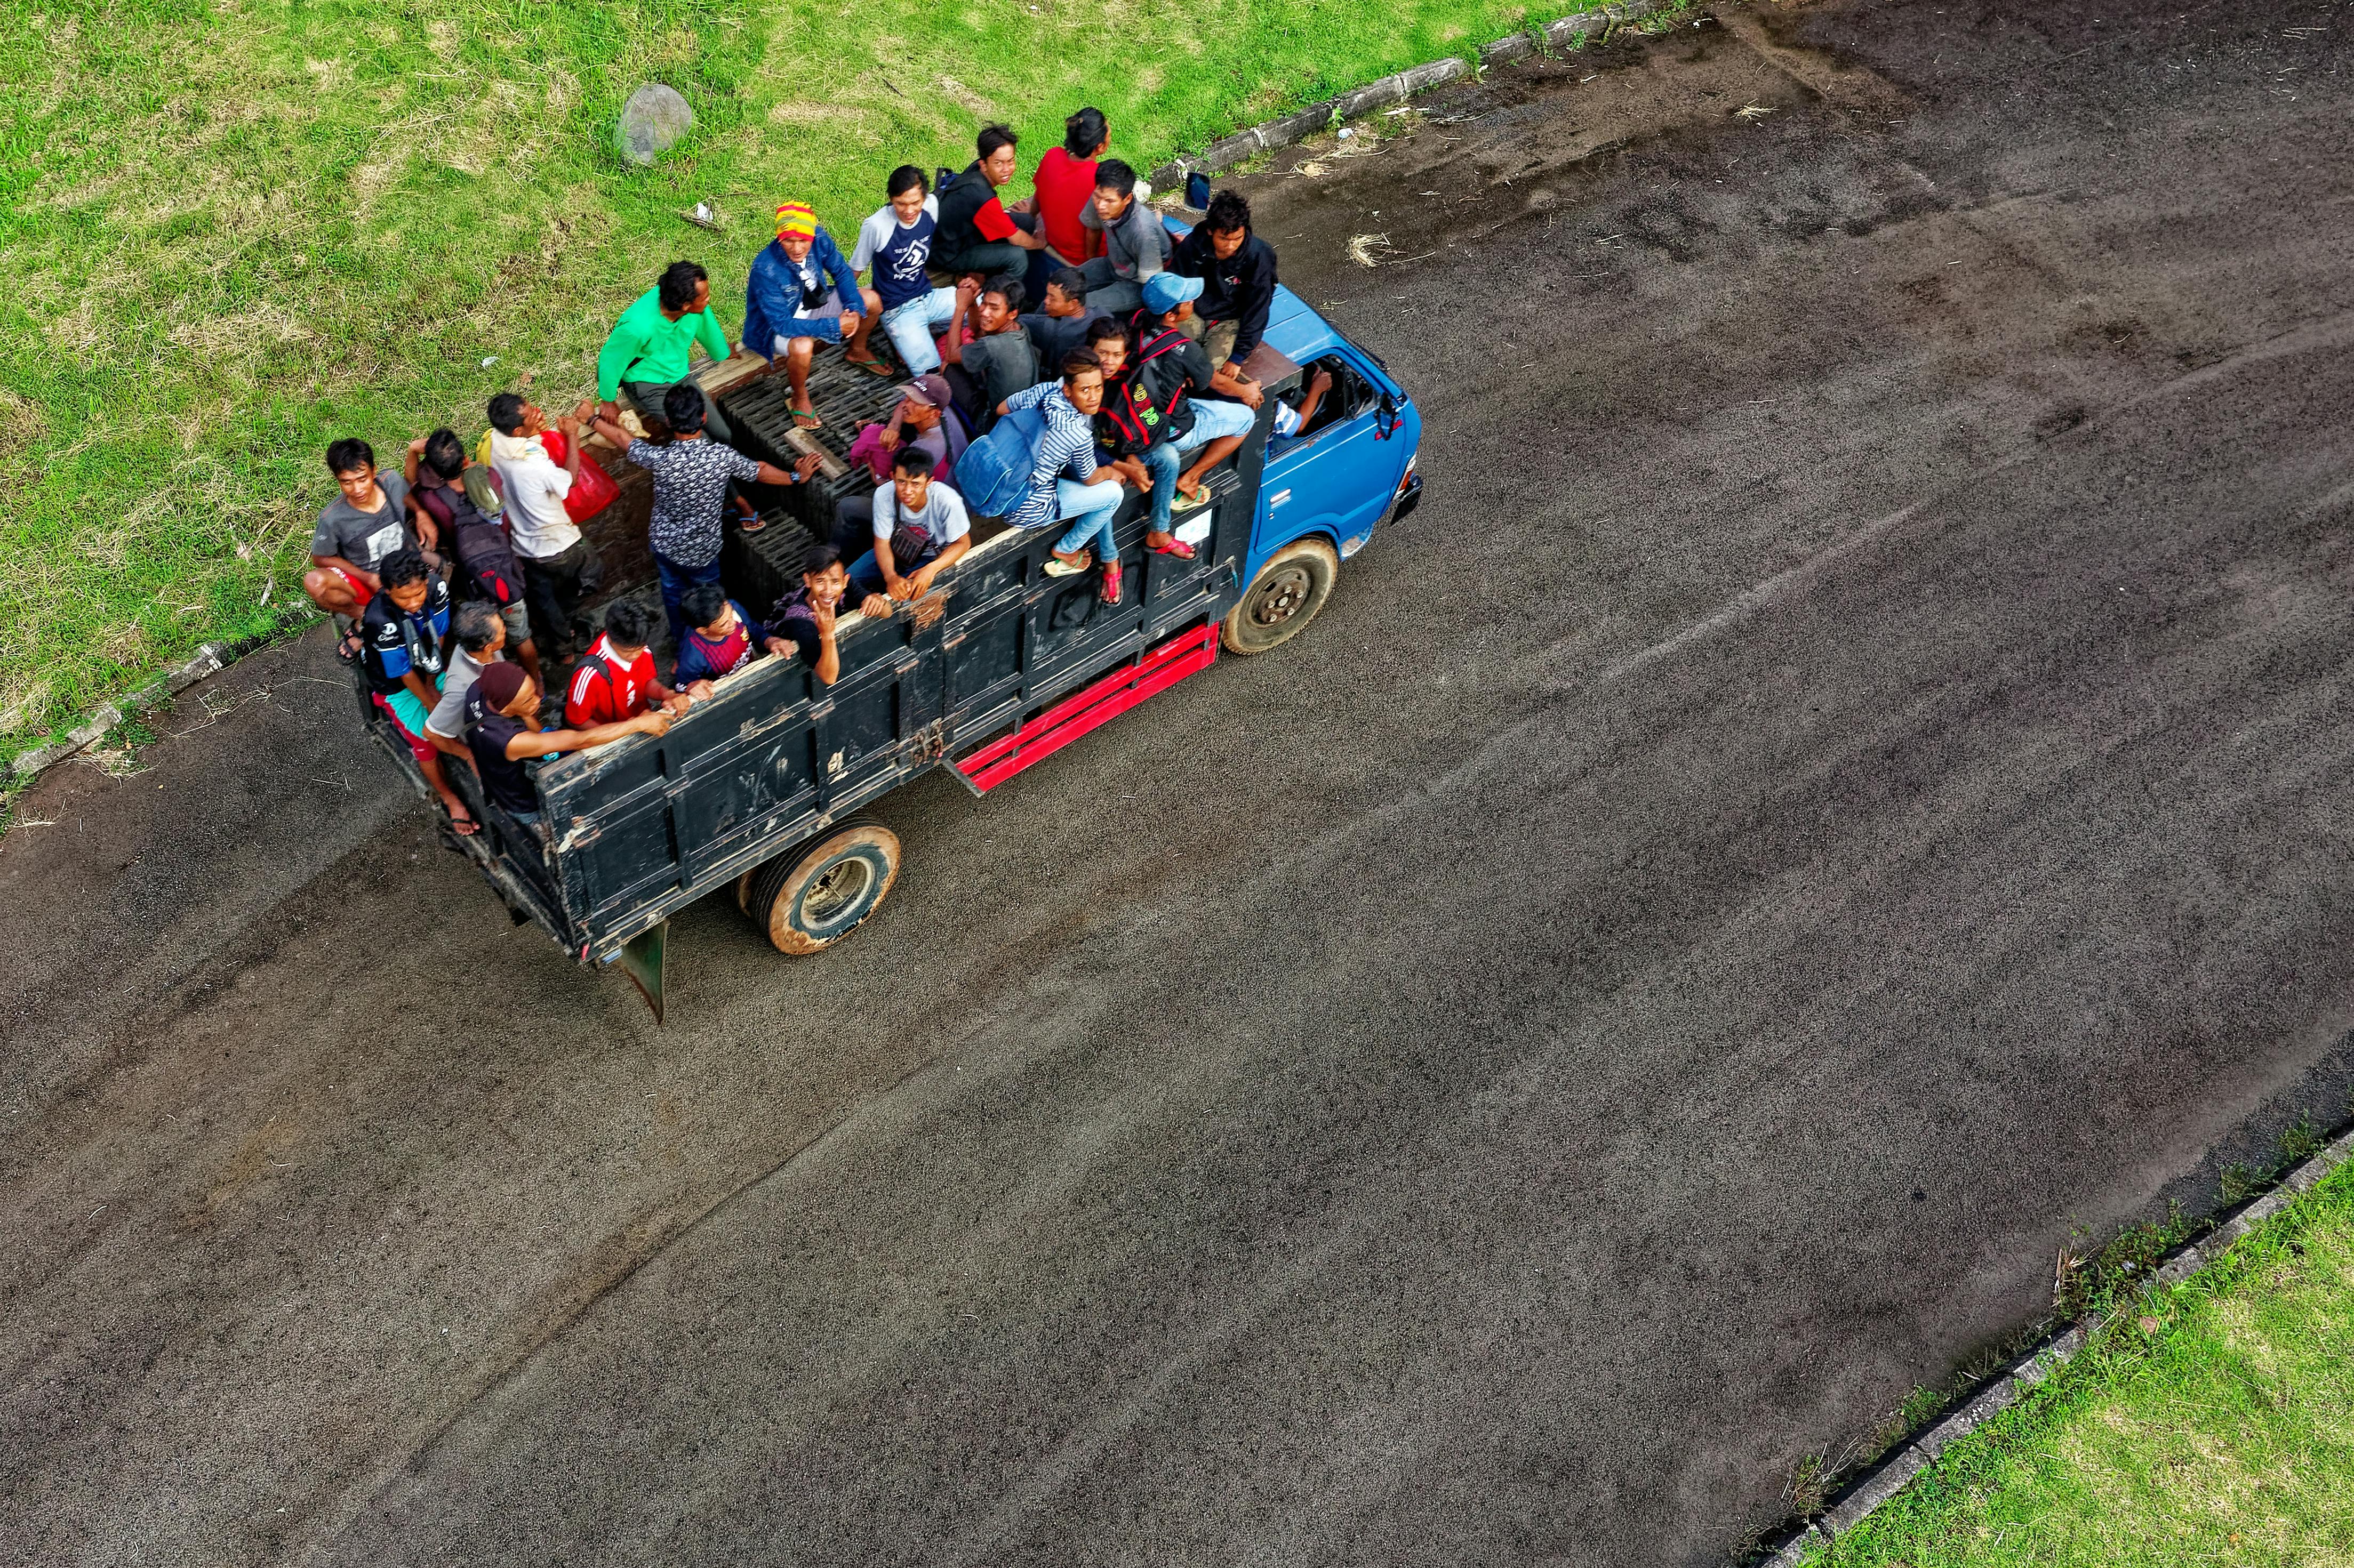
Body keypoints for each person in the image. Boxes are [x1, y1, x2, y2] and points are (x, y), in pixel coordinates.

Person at [589, 385, 818, 645]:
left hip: (665, 546)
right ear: (704, 419)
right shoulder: (721, 457)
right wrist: (797, 477)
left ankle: (682, 645)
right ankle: (715, 644)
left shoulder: (660, 458)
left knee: (673, 595)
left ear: (667, 421)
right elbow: (760, 470)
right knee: (709, 600)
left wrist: (591, 419)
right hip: (703, 552)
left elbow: (623, 439)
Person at [1111, 272, 1264, 552]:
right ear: (1172, 314)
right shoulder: (1185, 348)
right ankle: (1192, 478)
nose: (1193, 301)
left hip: (1137, 418)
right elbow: (1217, 382)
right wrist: (1247, 391)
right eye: (1187, 300)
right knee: (1246, 419)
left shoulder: (1134, 324)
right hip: (1173, 429)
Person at [406, 428, 542, 688]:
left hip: (472, 582)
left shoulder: (431, 499)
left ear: (435, 473)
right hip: (506, 571)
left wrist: (414, 450)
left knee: (486, 639)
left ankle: (505, 691)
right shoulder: (490, 477)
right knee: (522, 636)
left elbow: (410, 484)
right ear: (466, 461)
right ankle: (537, 683)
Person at [463, 660, 672, 830]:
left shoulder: (477, 691)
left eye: (534, 692)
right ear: (507, 708)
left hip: (501, 771)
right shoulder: (509, 740)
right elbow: (581, 740)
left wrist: (525, 711)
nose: (537, 700)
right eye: (528, 700)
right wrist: (637, 724)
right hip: (525, 802)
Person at [995, 349, 1130, 604]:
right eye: (1085, 390)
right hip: (1028, 507)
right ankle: (1066, 549)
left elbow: (1003, 409)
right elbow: (1090, 478)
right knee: (1114, 495)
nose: (1093, 398)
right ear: (1068, 390)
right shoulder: (1076, 433)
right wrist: (1112, 472)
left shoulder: (1043, 391)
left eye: (1098, 388)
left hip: (1003, 489)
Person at [359, 549, 473, 834]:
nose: (413, 603)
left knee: (469, 702)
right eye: (403, 598)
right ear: (386, 591)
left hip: (426, 666)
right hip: (396, 686)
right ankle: (450, 796)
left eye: (418, 594)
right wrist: (431, 700)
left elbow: (440, 633)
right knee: (426, 742)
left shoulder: (437, 588)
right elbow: (402, 672)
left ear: (427, 581)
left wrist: (434, 676)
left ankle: (472, 751)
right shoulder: (379, 619)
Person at [486, 394, 598, 664]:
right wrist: (572, 435)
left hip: (525, 547)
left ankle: (564, 651)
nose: (537, 411)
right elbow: (569, 481)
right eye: (530, 414)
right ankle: (569, 619)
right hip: (560, 547)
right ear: (517, 431)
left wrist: (535, 429)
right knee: (591, 572)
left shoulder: (494, 443)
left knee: (546, 599)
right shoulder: (534, 464)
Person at [305, 438, 435, 652]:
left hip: (405, 570)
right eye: (346, 482)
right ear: (338, 481)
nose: (356, 489)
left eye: (362, 479)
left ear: (374, 471)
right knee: (314, 582)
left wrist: (421, 513)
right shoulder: (332, 518)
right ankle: (365, 616)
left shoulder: (391, 481)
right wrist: (367, 578)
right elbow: (320, 559)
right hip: (368, 582)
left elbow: (408, 493)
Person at [743, 202, 864, 429]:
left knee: (871, 300)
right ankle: (799, 396)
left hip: (813, 303)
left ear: (812, 236)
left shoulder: (819, 237)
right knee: (802, 347)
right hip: (776, 328)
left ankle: (858, 350)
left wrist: (854, 308)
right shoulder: (765, 268)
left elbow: (841, 271)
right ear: (779, 238)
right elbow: (783, 324)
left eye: (803, 241)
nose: (797, 248)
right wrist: (835, 326)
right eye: (789, 240)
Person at [595, 260, 736, 447]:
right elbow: (611, 360)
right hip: (648, 384)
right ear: (686, 305)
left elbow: (706, 327)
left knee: (724, 435)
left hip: (679, 375)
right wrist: (608, 400)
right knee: (701, 445)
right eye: (704, 297)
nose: (708, 299)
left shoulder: (695, 309)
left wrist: (723, 353)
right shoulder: (637, 328)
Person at [844, 166, 963, 377]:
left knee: (982, 307)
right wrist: (845, 307)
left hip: (929, 296)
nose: (909, 211)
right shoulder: (876, 226)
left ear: (925, 197)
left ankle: (923, 338)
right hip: (898, 310)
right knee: (931, 375)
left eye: (915, 203)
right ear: (891, 199)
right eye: (901, 204)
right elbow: (855, 270)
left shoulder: (932, 206)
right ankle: (901, 337)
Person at [830, 445, 972, 605]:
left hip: (931, 558)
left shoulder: (948, 501)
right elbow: (882, 543)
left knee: (905, 600)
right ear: (893, 477)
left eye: (916, 484)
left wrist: (931, 569)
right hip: (896, 549)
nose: (908, 491)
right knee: (844, 584)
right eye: (902, 482)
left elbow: (963, 543)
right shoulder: (884, 494)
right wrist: (890, 577)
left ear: (929, 482)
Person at [1168, 188, 1279, 379]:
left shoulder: (1260, 257)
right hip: (1193, 310)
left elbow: (1258, 309)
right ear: (1211, 231)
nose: (1230, 246)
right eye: (1224, 239)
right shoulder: (1194, 244)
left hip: (1230, 319)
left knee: (1207, 374)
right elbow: (1175, 282)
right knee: (1173, 355)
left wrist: (1238, 357)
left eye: (1238, 239)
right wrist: (1176, 311)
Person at [934, 125, 1045, 283]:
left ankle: (987, 273)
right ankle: (997, 296)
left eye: (1011, 161)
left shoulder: (976, 171)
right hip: (948, 253)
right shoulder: (983, 199)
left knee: (1026, 222)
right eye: (999, 163)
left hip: (965, 232)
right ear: (984, 164)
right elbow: (1017, 239)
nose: (1006, 169)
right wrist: (1039, 243)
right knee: (1018, 258)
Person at [563, 599, 692, 729]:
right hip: (614, 735)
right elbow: (576, 721)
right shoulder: (589, 676)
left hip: (646, 720)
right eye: (627, 652)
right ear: (610, 638)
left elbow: (646, 682)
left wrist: (667, 694)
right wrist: (625, 731)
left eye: (639, 649)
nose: (635, 656)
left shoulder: (642, 649)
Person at [423, 600, 508, 797]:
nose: (505, 628)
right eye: (502, 630)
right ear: (488, 646)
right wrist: (468, 754)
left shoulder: (478, 647)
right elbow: (432, 733)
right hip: (483, 734)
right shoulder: (461, 688)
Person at [1029, 107, 1108, 293]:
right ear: (1100, 147)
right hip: (1081, 261)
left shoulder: (1052, 155)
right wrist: (1089, 268)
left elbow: (1037, 200)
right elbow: (1093, 235)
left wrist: (1031, 219)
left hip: (1053, 245)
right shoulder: (1100, 181)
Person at [1075, 159, 1169, 315]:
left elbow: (1152, 283)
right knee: (1063, 284)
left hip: (1137, 283)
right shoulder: (1100, 202)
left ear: (1127, 199)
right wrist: (1091, 260)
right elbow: (1093, 229)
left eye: (1109, 201)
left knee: (1084, 305)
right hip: (1113, 264)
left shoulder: (1143, 232)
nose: (1100, 205)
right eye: (1098, 197)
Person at [941, 279, 1035, 435]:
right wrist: (972, 304)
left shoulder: (993, 346)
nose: (985, 312)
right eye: (984, 303)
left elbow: (950, 356)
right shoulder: (1020, 329)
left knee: (946, 367)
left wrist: (960, 308)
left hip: (992, 423)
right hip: (1017, 414)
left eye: (994, 308)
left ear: (1012, 314)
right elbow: (980, 333)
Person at [850, 374, 968, 487]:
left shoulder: (923, 448)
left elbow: (905, 490)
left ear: (934, 414)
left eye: (917, 402)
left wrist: (875, 473)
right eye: (909, 396)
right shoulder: (942, 410)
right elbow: (903, 405)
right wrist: (894, 427)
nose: (907, 404)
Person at [761, 545, 850, 686]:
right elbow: (829, 678)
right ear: (808, 581)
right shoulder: (800, 621)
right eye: (820, 581)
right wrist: (827, 635)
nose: (828, 590)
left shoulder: (846, 587)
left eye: (835, 582)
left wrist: (873, 599)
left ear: (845, 581)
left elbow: (887, 612)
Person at [671, 584, 764, 689]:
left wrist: (770, 640)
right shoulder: (693, 657)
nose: (733, 622)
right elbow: (682, 686)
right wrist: (692, 686)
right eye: (724, 624)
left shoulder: (732, 608)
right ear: (703, 630)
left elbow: (754, 629)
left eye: (731, 614)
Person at [1019, 266, 1107, 375]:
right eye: (1048, 294)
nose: (1046, 300)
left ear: (1073, 304)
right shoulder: (1102, 314)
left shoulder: (1049, 329)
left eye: (1052, 298)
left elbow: (1017, 321)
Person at [1270, 366, 1336, 456]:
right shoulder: (1266, 399)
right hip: (1264, 451)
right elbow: (1298, 426)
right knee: (1323, 445)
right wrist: (1317, 389)